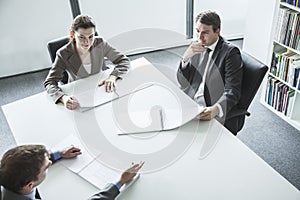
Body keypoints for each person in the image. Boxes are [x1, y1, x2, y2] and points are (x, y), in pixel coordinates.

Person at [44, 14, 130, 110]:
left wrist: (113, 76)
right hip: (79, 92)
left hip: (101, 88)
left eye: (91, 36)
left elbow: (124, 61)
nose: (87, 42)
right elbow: (50, 82)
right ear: (72, 34)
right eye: (82, 37)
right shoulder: (63, 53)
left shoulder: (100, 43)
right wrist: (63, 98)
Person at [177, 10, 243, 134]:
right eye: (197, 31)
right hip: (191, 101)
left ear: (217, 31)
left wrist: (216, 109)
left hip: (209, 106)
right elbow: (182, 82)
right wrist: (185, 58)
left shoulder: (230, 53)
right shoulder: (196, 45)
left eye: (205, 32)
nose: (199, 37)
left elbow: (233, 90)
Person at [0, 145, 144, 200]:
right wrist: (120, 181)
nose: (50, 162)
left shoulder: (8, 174)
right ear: (29, 185)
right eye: (46, 167)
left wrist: (58, 154)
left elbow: (28, 162)